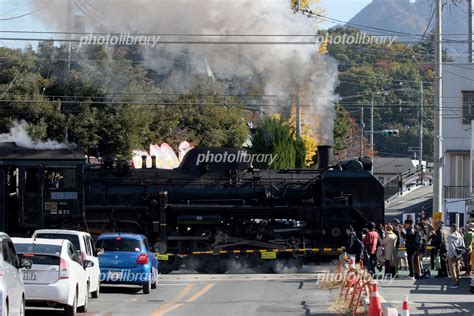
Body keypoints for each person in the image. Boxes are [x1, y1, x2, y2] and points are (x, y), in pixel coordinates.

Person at [447, 224, 465, 288]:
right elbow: (463, 245)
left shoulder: (450, 236)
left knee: (452, 269)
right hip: (459, 254)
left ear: (452, 228)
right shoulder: (459, 235)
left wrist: (456, 254)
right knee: (457, 268)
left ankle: (455, 283)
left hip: (452, 254)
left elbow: (452, 247)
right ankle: (458, 280)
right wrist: (460, 254)